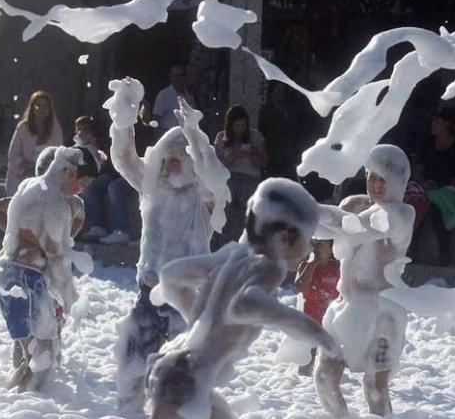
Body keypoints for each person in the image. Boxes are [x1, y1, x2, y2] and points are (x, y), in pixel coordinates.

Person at [146, 178, 339, 419]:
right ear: (284, 238)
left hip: (176, 367)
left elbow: (172, 275)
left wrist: (199, 318)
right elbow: (244, 306)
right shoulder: (270, 267)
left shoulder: (233, 254)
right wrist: (315, 332)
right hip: (187, 379)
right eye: (306, 238)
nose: (308, 249)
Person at [104, 77, 230, 414]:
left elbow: (216, 177)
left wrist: (194, 135)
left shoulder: (202, 197)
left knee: (181, 378)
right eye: (166, 158)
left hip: (187, 300)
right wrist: (124, 118)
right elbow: (124, 159)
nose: (170, 165)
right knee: (133, 369)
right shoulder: (152, 190)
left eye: (178, 159)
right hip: (148, 293)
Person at [313, 145, 415, 418]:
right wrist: (296, 213)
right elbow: (328, 226)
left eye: (383, 179)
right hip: (344, 309)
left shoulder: (402, 214)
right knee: (324, 377)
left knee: (375, 388)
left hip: (382, 315)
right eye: (371, 176)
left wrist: (306, 208)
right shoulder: (353, 204)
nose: (375, 184)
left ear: (397, 182)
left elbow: (357, 227)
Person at [0, 147, 96, 391]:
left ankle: (19, 397)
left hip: (12, 275)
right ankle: (22, 400)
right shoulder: (52, 201)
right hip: (24, 277)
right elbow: (56, 257)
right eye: (82, 182)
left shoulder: (37, 190)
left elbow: (64, 235)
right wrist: (70, 298)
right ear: (69, 172)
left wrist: (64, 239)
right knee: (37, 353)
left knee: (39, 349)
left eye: (86, 185)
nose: (82, 189)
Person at [413, 107, 455, 264]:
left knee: (435, 205)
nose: (433, 123)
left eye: (437, 121)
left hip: (452, 189)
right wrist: (424, 183)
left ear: (448, 124)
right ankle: (411, 250)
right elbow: (418, 169)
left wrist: (443, 184)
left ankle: (444, 252)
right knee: (415, 203)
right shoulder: (427, 143)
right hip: (427, 187)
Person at [76, 115, 137, 244]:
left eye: (86, 129)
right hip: (111, 173)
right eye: (79, 129)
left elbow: (111, 162)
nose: (82, 133)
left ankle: (121, 230)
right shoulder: (79, 146)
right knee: (90, 188)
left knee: (114, 187)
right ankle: (97, 227)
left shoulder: (105, 141)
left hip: (127, 173)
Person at [214, 105, 267, 245]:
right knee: (227, 215)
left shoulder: (255, 136)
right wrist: (235, 155)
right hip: (229, 178)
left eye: (243, 126)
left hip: (249, 178)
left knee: (248, 214)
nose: (240, 129)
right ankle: (225, 245)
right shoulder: (221, 138)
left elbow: (262, 163)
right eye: (236, 126)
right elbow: (218, 166)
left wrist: (252, 152)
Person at [293, 239, 339, 376]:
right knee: (305, 370)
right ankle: (304, 394)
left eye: (321, 244)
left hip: (331, 327)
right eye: (314, 244)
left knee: (329, 370)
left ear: (331, 250)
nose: (316, 247)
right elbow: (299, 287)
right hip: (310, 326)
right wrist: (313, 264)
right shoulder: (305, 266)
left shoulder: (338, 268)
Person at [5, 90, 63, 194]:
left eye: (45, 106)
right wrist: (25, 168)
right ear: (32, 108)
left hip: (45, 174)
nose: (42, 109)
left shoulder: (55, 129)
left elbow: (58, 154)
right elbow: (13, 155)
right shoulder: (23, 127)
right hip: (22, 173)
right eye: (38, 106)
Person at [259, 82, 297, 179]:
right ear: (272, 92)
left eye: (283, 90)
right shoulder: (266, 110)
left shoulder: (288, 110)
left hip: (287, 156)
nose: (281, 93)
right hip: (272, 156)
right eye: (278, 89)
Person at [153, 65, 197, 132]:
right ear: (171, 77)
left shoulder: (189, 95)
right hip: (169, 135)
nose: (178, 78)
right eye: (175, 76)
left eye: (181, 75)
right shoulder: (164, 94)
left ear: (185, 77)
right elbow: (156, 118)